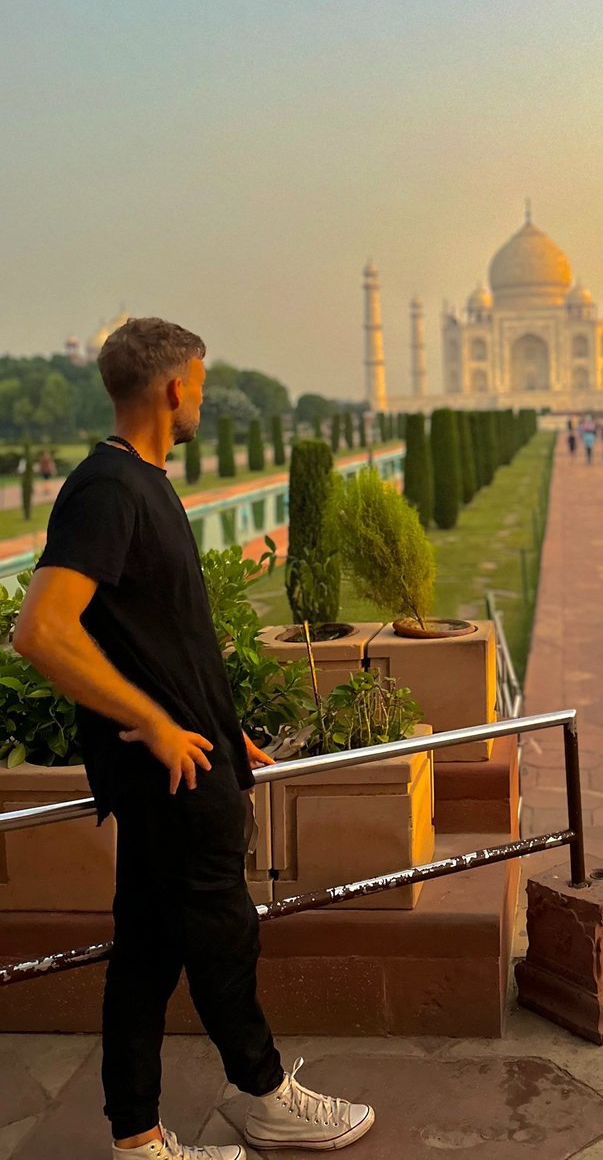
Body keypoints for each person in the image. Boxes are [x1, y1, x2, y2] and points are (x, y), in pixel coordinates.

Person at [13, 318, 374, 1160]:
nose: (203, 401)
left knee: (146, 954)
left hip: (187, 759)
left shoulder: (140, 482)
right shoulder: (109, 489)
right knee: (223, 938)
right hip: (170, 776)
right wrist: (155, 724)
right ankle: (267, 1096)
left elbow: (162, 637)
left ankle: (137, 1138)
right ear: (175, 387)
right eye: (201, 386)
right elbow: (42, 631)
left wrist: (219, 724)